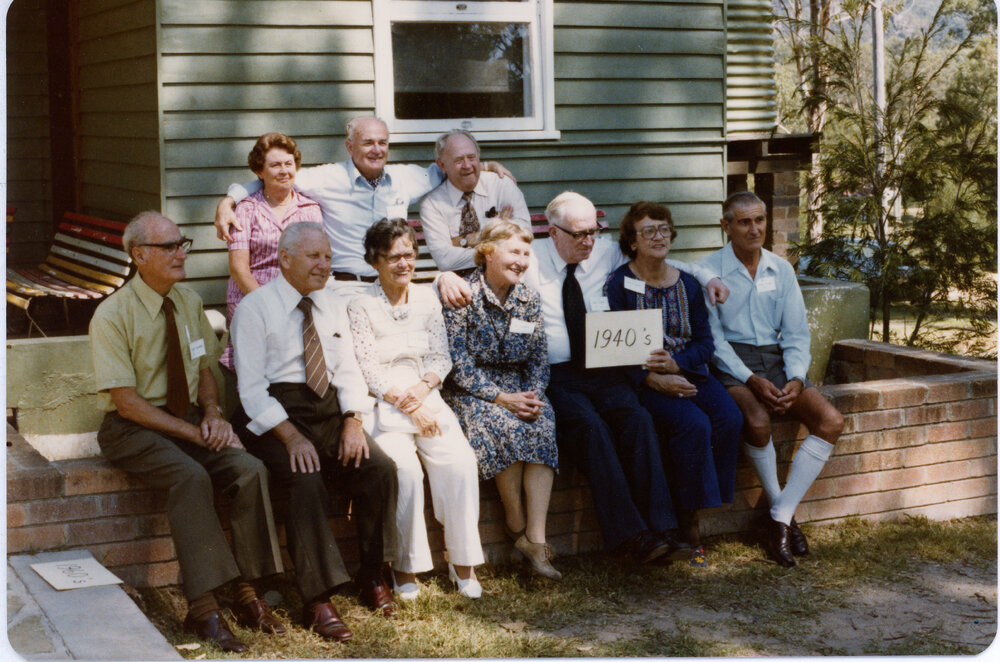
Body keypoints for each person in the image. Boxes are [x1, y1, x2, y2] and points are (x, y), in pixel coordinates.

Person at [89, 212, 284, 654]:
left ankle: (248, 594)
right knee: (190, 476)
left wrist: (213, 413)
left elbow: (203, 367)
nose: (182, 253)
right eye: (169, 246)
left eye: (183, 244)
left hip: (189, 418)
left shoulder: (189, 301)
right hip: (132, 427)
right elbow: (128, 403)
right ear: (139, 256)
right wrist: (196, 434)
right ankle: (203, 609)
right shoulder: (111, 315)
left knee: (249, 469)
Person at [516, 192, 728, 564]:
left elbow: (660, 256)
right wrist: (446, 280)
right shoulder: (527, 258)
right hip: (557, 373)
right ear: (552, 233)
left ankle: (665, 531)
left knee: (638, 420)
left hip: (604, 367)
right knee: (591, 428)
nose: (588, 241)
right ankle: (630, 537)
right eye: (579, 234)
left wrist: (708, 274)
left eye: (593, 232)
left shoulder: (604, 250)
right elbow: (481, 265)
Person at [230, 223, 400, 641]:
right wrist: (290, 435)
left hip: (327, 412)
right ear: (285, 259)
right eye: (313, 257)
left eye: (327, 256)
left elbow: (348, 371)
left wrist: (353, 421)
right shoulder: (256, 307)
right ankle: (316, 598)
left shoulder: (333, 303)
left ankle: (372, 573)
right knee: (304, 479)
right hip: (273, 416)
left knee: (379, 467)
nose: (324, 265)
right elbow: (250, 389)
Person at [214, 117, 511, 302]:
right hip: (344, 289)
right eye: (367, 142)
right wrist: (229, 201)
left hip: (395, 284)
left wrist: (484, 166)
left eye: (382, 142)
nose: (376, 149)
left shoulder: (408, 178)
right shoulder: (326, 178)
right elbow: (276, 178)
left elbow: (451, 168)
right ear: (349, 146)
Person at [700, 191, 844, 567]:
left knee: (830, 420)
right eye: (744, 222)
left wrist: (796, 378)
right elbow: (714, 342)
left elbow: (796, 334)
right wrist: (751, 380)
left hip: (778, 359)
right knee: (758, 421)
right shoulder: (709, 269)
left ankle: (779, 516)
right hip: (732, 361)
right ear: (726, 226)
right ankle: (784, 518)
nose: (754, 229)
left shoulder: (781, 269)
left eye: (760, 220)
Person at [347, 218, 485, 599]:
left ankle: (464, 563)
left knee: (459, 464)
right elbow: (368, 369)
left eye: (409, 254)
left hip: (427, 397)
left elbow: (442, 358)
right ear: (375, 261)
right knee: (404, 472)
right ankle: (405, 569)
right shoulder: (360, 304)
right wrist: (407, 403)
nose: (403, 264)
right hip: (383, 403)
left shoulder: (427, 298)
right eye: (393, 257)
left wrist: (423, 391)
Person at [604, 202, 742, 567]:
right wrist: (652, 377)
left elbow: (706, 343)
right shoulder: (618, 285)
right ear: (632, 241)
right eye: (648, 231)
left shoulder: (688, 283)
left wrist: (678, 363)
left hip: (690, 370)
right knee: (691, 424)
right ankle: (688, 522)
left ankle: (708, 502)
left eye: (664, 229)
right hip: (642, 380)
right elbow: (612, 347)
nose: (658, 236)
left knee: (729, 417)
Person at [442, 219, 561, 581]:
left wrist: (531, 396)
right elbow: (457, 365)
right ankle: (515, 524)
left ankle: (535, 542)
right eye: (514, 251)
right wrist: (503, 398)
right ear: (488, 252)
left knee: (540, 421)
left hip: (520, 388)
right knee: (502, 423)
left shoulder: (528, 298)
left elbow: (539, 358)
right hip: (474, 390)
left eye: (527, 253)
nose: (522, 260)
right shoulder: (464, 294)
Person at [219, 132, 322, 371]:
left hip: (298, 296)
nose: (284, 170)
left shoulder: (310, 209)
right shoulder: (246, 209)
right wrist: (269, 305)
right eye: (275, 165)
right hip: (251, 296)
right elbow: (238, 268)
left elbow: (315, 263)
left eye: (289, 163)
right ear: (259, 171)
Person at [419, 130, 531, 272]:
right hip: (459, 285)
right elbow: (445, 260)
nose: (467, 165)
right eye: (458, 160)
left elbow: (524, 236)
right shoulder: (432, 204)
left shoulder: (501, 185)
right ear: (442, 165)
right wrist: (499, 232)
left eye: (471, 158)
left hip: (507, 275)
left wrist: (467, 240)